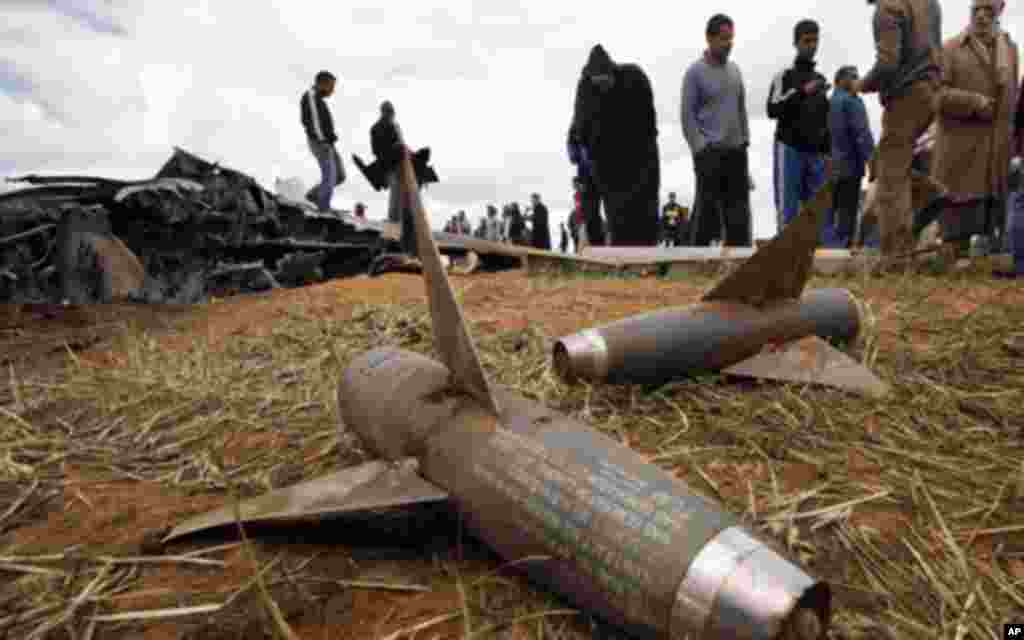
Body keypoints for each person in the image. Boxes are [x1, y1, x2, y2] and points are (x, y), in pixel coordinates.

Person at [852, 0, 943, 266]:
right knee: (895, 164)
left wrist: (862, 84)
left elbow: (887, 64)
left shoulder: (888, 9)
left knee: (889, 174)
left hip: (905, 96)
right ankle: (933, 193)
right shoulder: (929, 4)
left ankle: (896, 254)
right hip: (931, 92)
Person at [930, 0, 1019, 257]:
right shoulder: (950, 49)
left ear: (998, 13)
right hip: (960, 158)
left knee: (991, 247)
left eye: (988, 11)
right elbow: (935, 96)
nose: (981, 16)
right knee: (954, 240)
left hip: (995, 158)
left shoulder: (1010, 50)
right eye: (976, 10)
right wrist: (974, 102)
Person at [570, 44, 660, 246]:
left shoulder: (634, 77)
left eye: (606, 82)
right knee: (617, 211)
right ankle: (621, 255)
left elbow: (648, 121)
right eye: (598, 83)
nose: (603, 87)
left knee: (645, 206)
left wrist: (642, 156)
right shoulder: (585, 89)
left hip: (641, 150)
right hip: (606, 157)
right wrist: (589, 160)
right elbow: (582, 129)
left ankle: (649, 252)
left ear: (613, 72)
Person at [681, 14, 753, 247]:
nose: (728, 43)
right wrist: (700, 149)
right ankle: (697, 265)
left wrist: (744, 141)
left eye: (731, 38)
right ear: (709, 39)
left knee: (739, 214)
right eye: (723, 38)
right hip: (709, 152)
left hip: (736, 152)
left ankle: (739, 265)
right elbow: (687, 115)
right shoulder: (695, 73)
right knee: (707, 212)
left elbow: (741, 109)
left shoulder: (735, 71)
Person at [768, 19, 832, 237]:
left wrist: (828, 152)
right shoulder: (785, 76)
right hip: (790, 149)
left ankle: (816, 263)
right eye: (807, 41)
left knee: (818, 211)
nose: (812, 45)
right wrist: (804, 91)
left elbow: (825, 118)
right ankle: (783, 260)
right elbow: (772, 108)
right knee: (788, 212)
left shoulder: (820, 79)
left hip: (816, 154)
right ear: (796, 43)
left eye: (815, 40)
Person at [829, 66, 875, 247]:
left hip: (829, 168)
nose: (857, 79)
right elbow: (862, 134)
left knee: (831, 212)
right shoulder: (852, 101)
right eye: (853, 77)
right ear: (840, 80)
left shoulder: (828, 102)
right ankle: (843, 248)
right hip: (850, 166)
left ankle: (829, 248)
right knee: (847, 210)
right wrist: (872, 161)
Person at [371, 100, 417, 258]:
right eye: (390, 113)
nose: (391, 115)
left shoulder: (375, 128)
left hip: (392, 169)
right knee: (397, 207)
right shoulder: (390, 126)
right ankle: (392, 243)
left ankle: (396, 242)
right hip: (397, 168)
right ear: (389, 112)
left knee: (398, 206)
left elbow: (376, 152)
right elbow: (400, 146)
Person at [301, 71, 345, 212]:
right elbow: (313, 121)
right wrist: (322, 141)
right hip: (320, 142)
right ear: (322, 84)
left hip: (328, 142)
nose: (333, 90)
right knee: (330, 176)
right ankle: (323, 207)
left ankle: (313, 195)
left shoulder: (319, 99)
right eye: (331, 86)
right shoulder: (311, 97)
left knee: (340, 175)